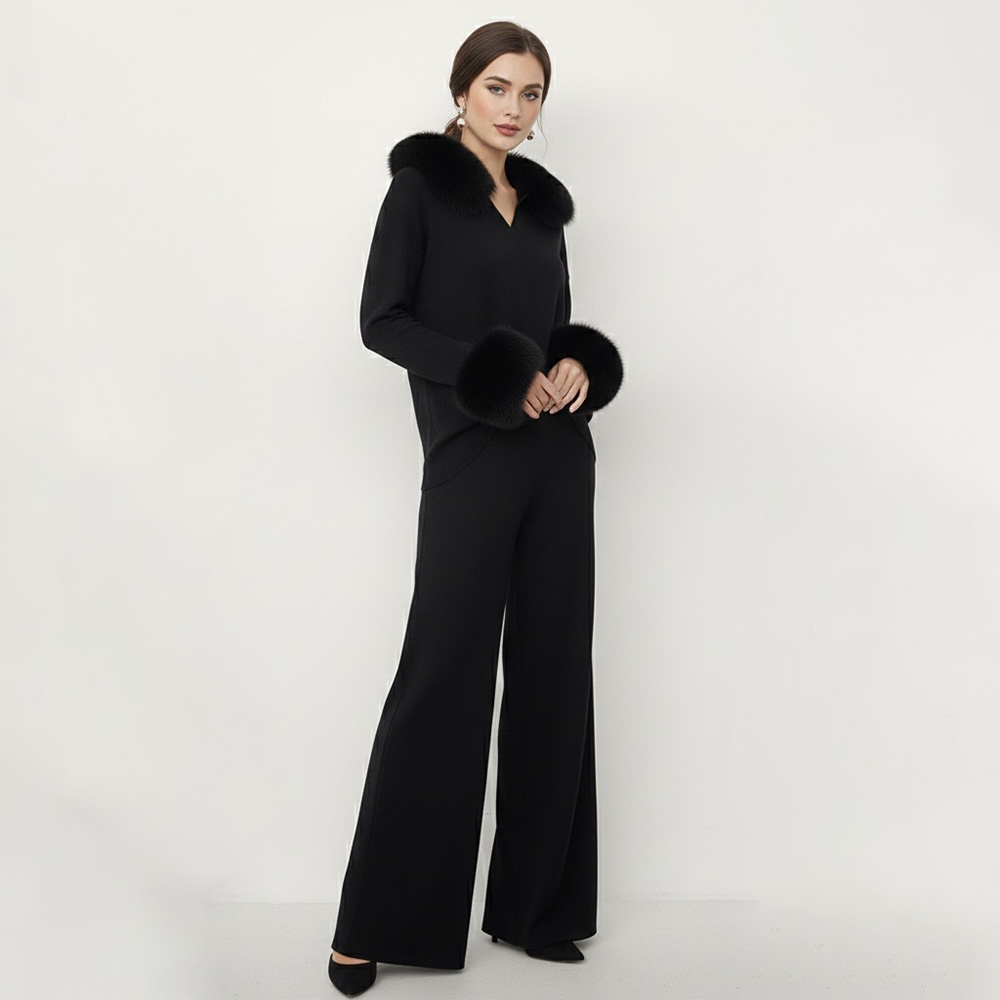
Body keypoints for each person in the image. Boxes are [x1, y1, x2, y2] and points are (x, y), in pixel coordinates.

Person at [327, 20, 623, 997]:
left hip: (558, 458)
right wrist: (497, 372)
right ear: (461, 90)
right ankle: (375, 925)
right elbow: (383, 321)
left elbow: (554, 324)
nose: (513, 107)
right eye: (498, 86)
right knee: (442, 672)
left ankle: (540, 908)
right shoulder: (418, 190)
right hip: (469, 454)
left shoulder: (540, 210)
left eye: (531, 93)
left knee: (554, 671)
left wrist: (575, 365)